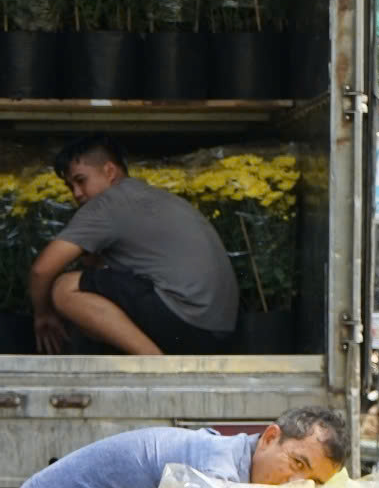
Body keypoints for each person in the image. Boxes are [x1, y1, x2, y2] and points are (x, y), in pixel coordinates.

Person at [29, 135, 238, 356]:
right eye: (70, 186)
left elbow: (42, 270)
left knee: (64, 288)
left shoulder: (107, 203)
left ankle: (156, 366)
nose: (77, 193)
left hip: (186, 319)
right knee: (93, 287)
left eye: (81, 181)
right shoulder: (159, 198)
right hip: (219, 331)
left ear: (110, 171)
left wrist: (43, 315)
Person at [11, 406, 350, 488]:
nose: (297, 485)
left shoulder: (238, 463)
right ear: (269, 437)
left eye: (315, 482)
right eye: (297, 463)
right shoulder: (217, 470)